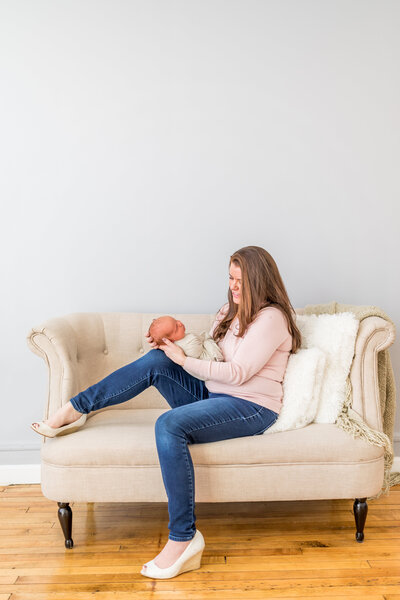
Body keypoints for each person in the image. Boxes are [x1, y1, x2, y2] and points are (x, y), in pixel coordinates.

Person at [30, 245, 302, 580]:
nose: (233, 287)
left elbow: (239, 374)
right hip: (215, 395)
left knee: (168, 424)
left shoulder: (271, 318)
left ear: (259, 282)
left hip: (251, 406)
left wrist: (185, 362)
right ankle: (76, 407)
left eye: (241, 281)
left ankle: (183, 538)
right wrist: (179, 341)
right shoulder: (230, 313)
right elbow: (213, 358)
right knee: (158, 361)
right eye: (230, 278)